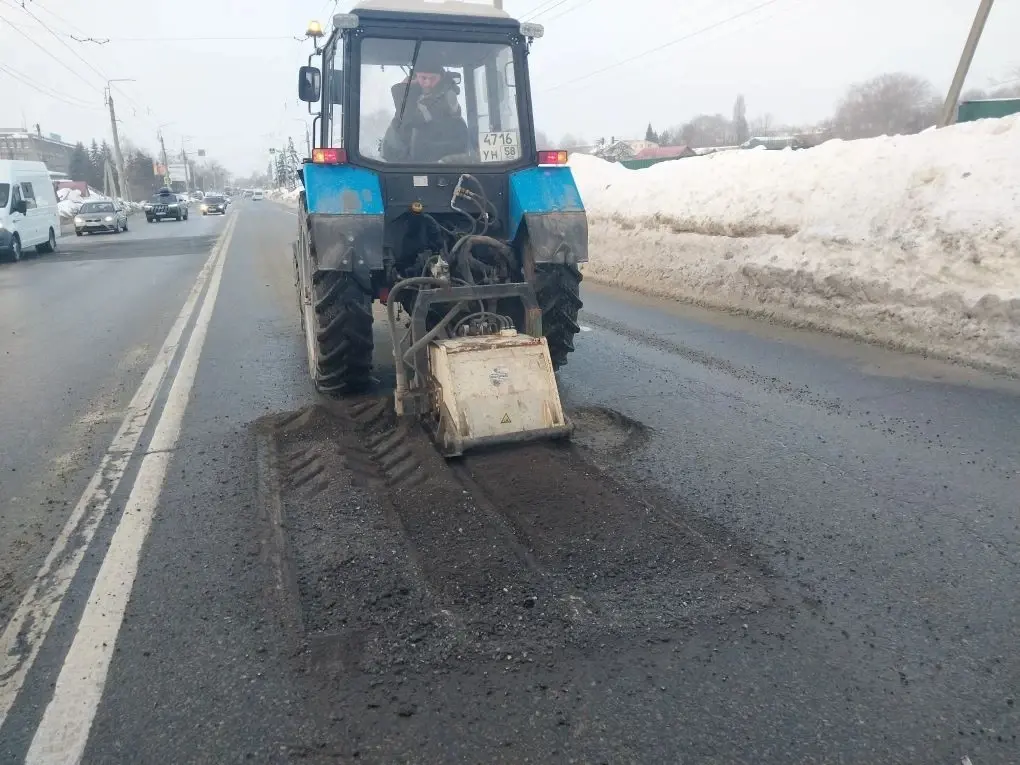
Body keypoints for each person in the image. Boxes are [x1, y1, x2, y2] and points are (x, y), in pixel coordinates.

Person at [381, 50, 470, 163]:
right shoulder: (415, 100)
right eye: (423, 77)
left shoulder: (446, 100)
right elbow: (398, 134)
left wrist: (403, 90)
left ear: (441, 77)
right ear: (415, 77)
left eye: (432, 78)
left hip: (434, 167)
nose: (427, 83)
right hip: (409, 165)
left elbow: (410, 120)